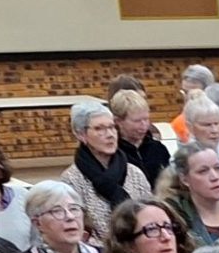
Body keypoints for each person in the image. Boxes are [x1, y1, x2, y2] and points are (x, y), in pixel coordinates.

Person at [59, 98, 152, 233]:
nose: (110, 135)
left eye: (112, 127)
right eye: (99, 129)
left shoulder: (135, 174)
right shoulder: (71, 181)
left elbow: (149, 217)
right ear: (81, 135)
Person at [161, 142, 219, 247]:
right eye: (203, 171)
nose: (215, 177)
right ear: (184, 179)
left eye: (218, 168)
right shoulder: (176, 220)